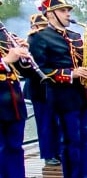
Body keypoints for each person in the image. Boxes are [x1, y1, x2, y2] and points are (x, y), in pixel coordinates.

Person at [29, 0, 87, 178]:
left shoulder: (75, 35)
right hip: (62, 95)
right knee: (70, 137)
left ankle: (83, 175)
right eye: (63, 11)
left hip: (82, 93)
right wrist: (71, 73)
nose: (68, 14)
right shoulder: (39, 37)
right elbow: (40, 69)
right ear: (50, 14)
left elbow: (81, 59)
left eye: (67, 11)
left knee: (85, 136)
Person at [0, 1, 45, 178]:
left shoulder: (4, 36)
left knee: (15, 151)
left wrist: (25, 54)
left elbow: (23, 71)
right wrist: (6, 61)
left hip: (12, 104)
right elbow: (6, 64)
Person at [23, 13, 62, 166]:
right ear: (33, 27)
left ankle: (57, 151)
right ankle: (48, 153)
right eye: (40, 26)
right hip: (39, 88)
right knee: (45, 122)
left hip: (54, 87)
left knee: (56, 122)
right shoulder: (32, 40)